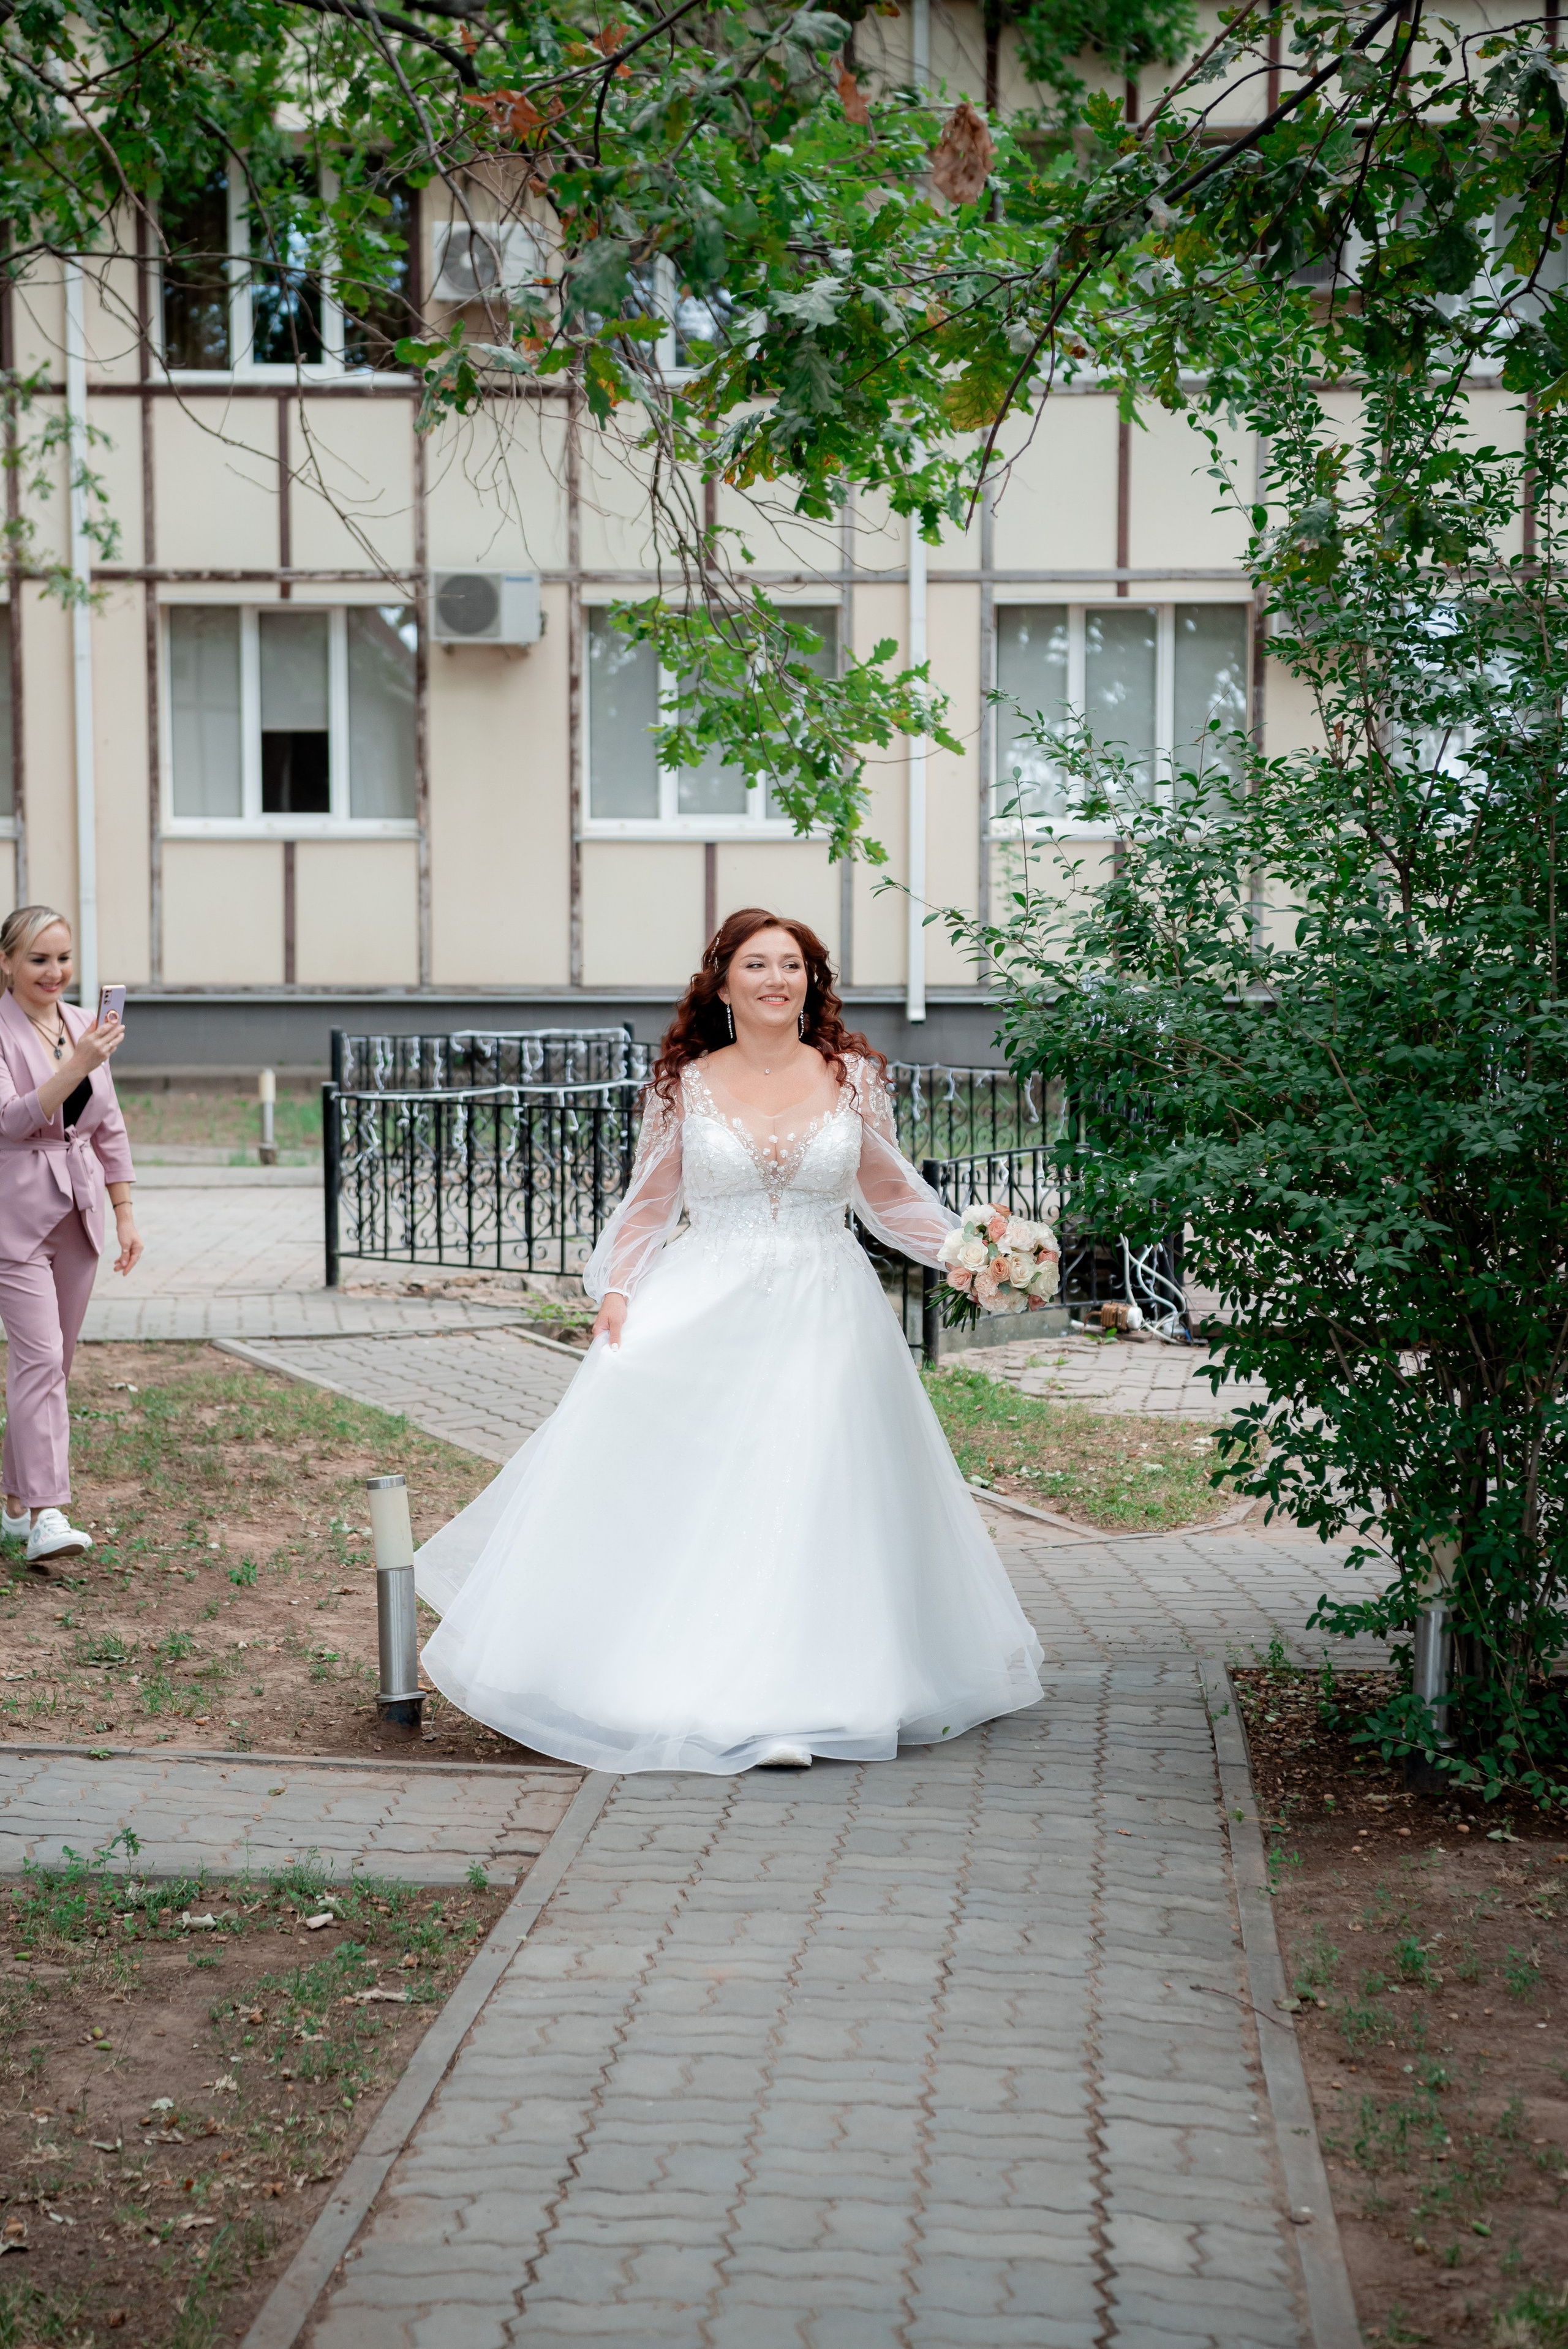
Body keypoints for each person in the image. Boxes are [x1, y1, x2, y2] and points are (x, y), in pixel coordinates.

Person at [413, 907, 1043, 1773]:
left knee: (813, 1485)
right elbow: (648, 1204)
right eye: (756, 964)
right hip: (707, 1300)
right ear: (722, 984)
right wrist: (618, 1290)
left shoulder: (853, 1078)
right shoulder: (685, 1085)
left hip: (827, 1309)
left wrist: (973, 1254)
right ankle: (687, 1677)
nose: (775, 978)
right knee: (712, 1487)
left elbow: (892, 1194)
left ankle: (804, 1696)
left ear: (811, 983)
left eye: (791, 964)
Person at [0, 907, 140, 1566]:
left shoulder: (87, 1021)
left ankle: (14, 1497)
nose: (54, 972)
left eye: (63, 958)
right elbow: (12, 1120)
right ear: (6, 963)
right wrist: (78, 1062)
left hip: (80, 1214)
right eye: (38, 959)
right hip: (15, 1217)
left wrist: (126, 1213)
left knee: (55, 1364)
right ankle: (47, 1515)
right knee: (38, 1360)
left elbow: (108, 1124)